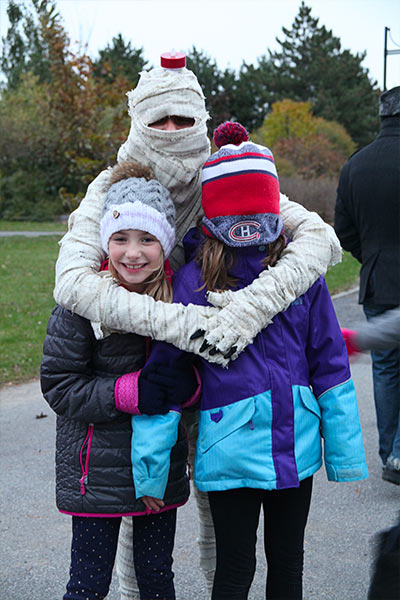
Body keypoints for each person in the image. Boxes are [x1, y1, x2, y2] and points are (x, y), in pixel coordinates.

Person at [53, 55, 342, 598]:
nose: (170, 131)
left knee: (222, 532)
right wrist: (187, 327)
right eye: (158, 119)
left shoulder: (228, 174)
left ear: (201, 120)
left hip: (225, 391)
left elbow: (321, 240)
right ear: (138, 117)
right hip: (144, 383)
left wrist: (248, 311)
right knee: (137, 529)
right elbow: (72, 285)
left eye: (182, 119)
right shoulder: (112, 186)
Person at [132, 122, 369, 600]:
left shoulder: (300, 276)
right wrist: (151, 469)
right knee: (235, 569)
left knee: (288, 565)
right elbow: (167, 377)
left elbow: (328, 363)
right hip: (229, 449)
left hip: (295, 448)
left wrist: (344, 451)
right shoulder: (192, 285)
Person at [40, 162, 191, 600]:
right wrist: (129, 392)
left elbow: (196, 373)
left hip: (158, 470)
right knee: (88, 584)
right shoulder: (82, 303)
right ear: (105, 240)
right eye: (121, 238)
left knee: (157, 580)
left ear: (165, 244)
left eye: (148, 239)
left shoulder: (178, 305)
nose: (133, 252)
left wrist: (184, 390)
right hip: (96, 473)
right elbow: (60, 384)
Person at [334, 85, 400, 485]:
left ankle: (391, 454)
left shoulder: (356, 165)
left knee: (387, 368)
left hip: (378, 280)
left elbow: (344, 230)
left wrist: (372, 259)